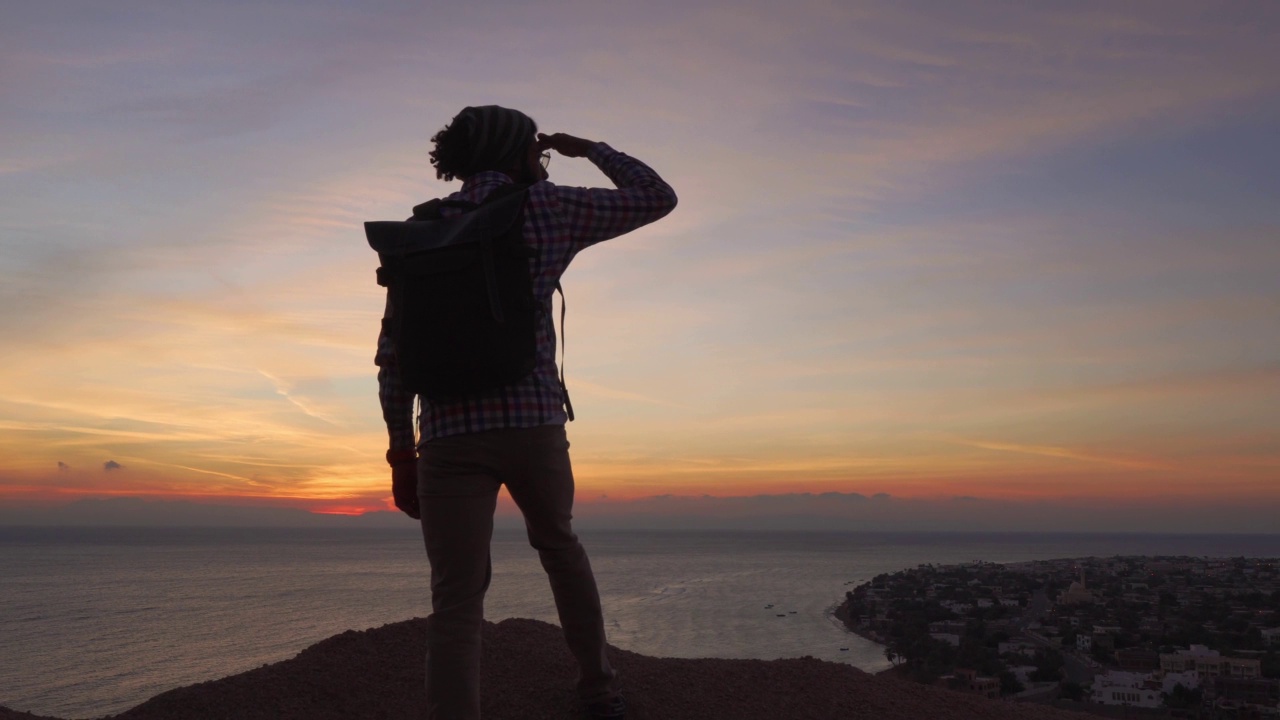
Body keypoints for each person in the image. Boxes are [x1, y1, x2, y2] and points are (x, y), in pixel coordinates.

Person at [375, 105, 677, 720]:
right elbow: (657, 196)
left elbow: (393, 357)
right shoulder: (547, 207)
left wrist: (399, 451)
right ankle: (598, 689)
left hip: (447, 437)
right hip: (532, 420)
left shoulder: (419, 230)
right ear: (517, 155)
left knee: (456, 598)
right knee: (560, 548)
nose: (541, 159)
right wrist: (587, 146)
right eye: (534, 151)